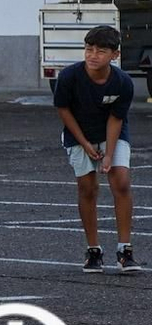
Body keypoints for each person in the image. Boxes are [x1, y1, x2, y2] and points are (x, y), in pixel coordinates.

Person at [55, 24, 137, 274]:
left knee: (121, 181)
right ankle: (93, 250)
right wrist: (85, 143)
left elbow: (116, 119)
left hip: (112, 133)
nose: (93, 55)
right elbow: (63, 110)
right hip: (78, 133)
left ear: (115, 55)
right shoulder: (69, 76)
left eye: (101, 51)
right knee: (87, 187)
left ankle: (125, 250)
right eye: (89, 49)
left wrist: (109, 154)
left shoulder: (122, 82)